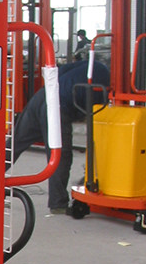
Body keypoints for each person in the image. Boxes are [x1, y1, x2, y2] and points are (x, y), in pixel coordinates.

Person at [9, 58, 110, 213]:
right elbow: (93, 117)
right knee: (60, 155)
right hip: (59, 106)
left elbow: (60, 71)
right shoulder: (106, 87)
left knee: (15, 144)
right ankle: (58, 204)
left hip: (42, 96)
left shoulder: (93, 64)